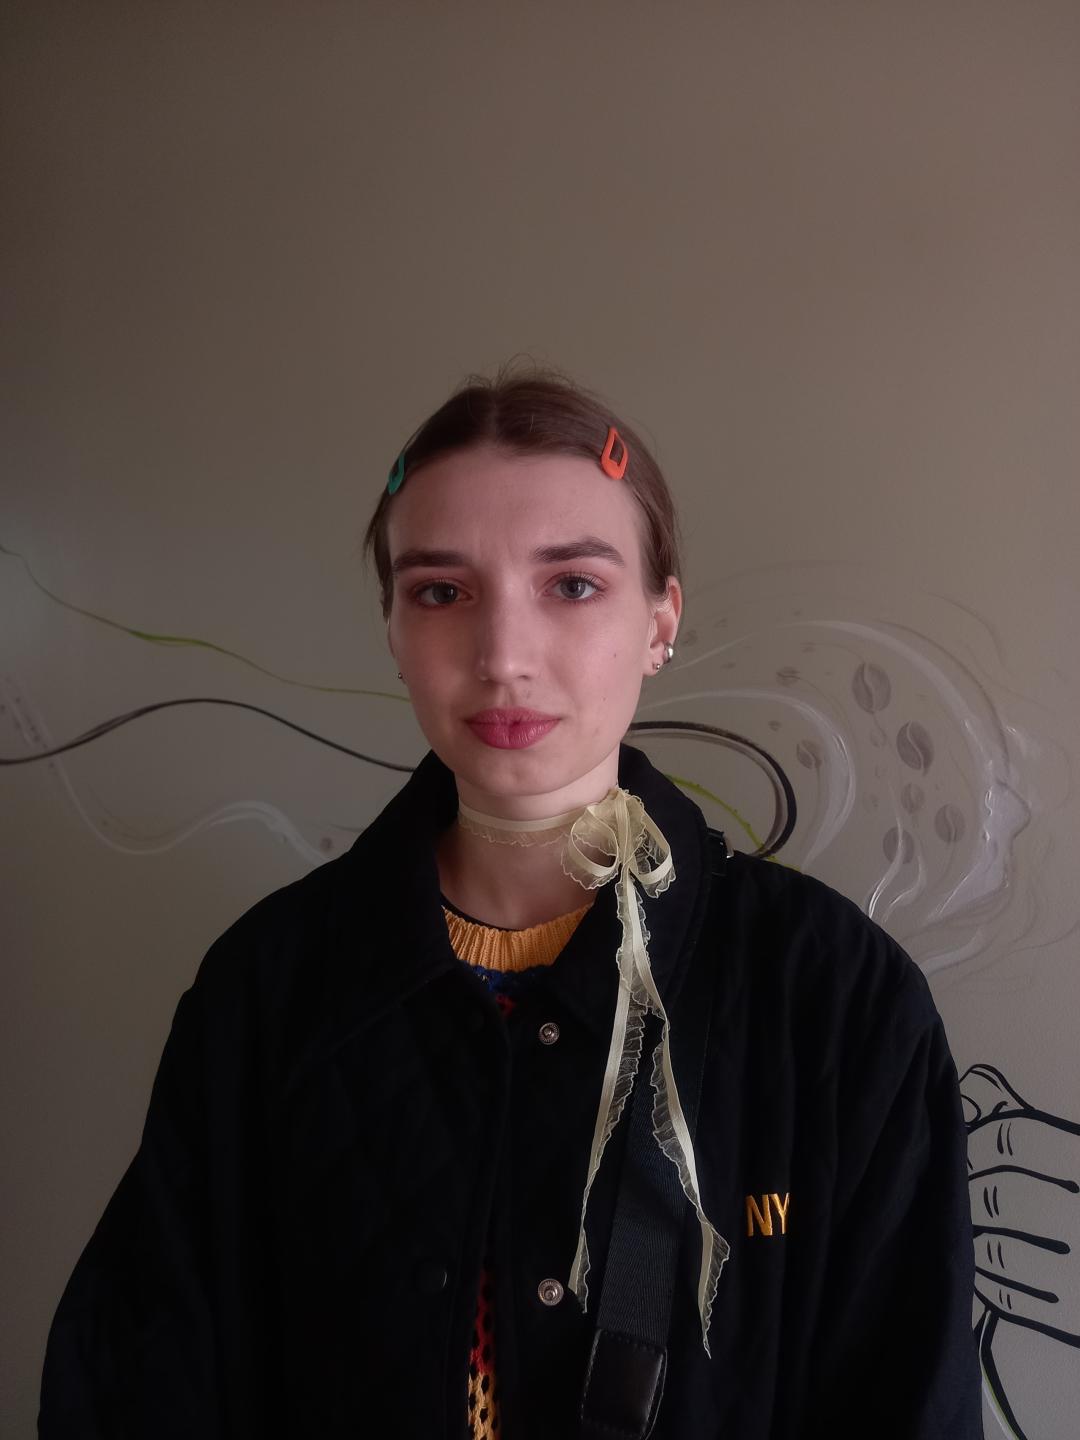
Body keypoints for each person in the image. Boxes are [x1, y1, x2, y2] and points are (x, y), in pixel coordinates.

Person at [39, 366, 983, 1438]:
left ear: (661, 619)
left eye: (572, 585)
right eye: (442, 593)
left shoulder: (837, 999)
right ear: (393, 628)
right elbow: (140, 1384)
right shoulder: (266, 990)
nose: (502, 658)